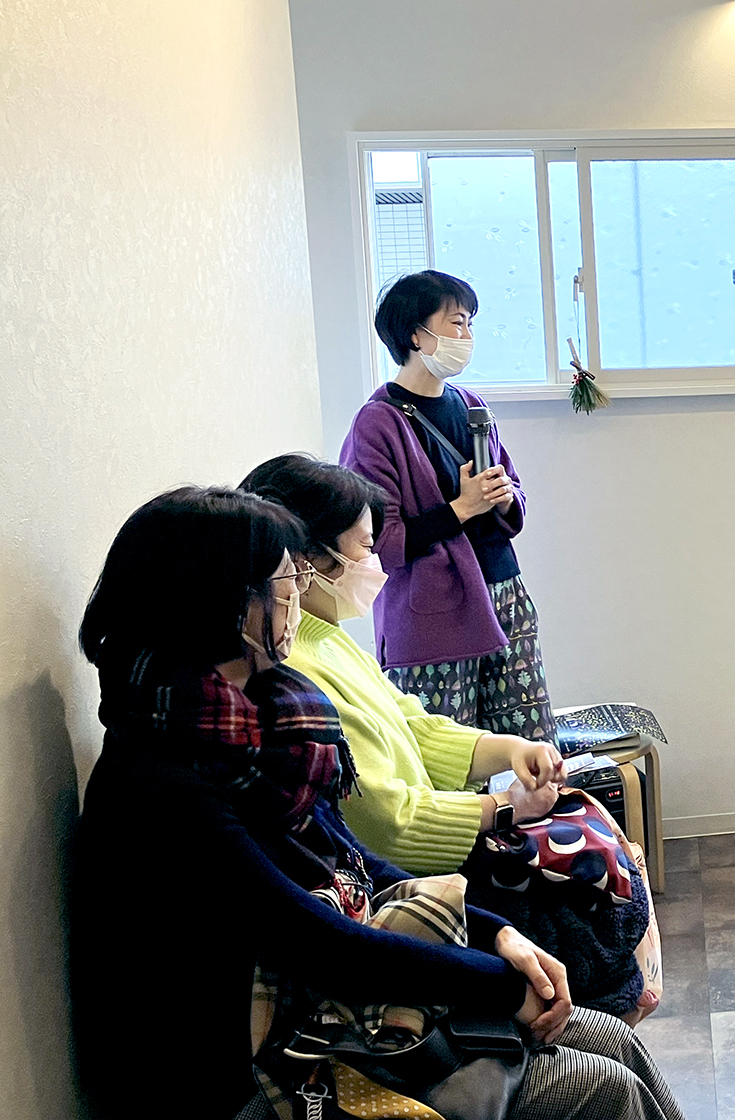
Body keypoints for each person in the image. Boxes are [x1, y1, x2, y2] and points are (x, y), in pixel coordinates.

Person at [71, 487, 683, 1120]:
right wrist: (500, 981)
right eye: (284, 583)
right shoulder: (160, 783)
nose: (296, 596)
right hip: (254, 1064)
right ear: (226, 605)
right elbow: (320, 944)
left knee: (611, 1038)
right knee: (600, 1086)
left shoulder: (264, 723)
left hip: (323, 1000)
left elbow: (354, 864)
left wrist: (498, 936)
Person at [240, 454, 657, 1023]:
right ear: (308, 561)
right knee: (597, 918)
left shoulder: (328, 639)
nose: (376, 563)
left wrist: (510, 750)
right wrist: (504, 809)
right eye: (365, 548)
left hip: (429, 865)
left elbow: (413, 724)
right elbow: (385, 824)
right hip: (419, 875)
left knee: (601, 866)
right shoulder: (297, 678)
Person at [341, 269, 560, 746]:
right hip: (434, 617)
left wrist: (504, 498)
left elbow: (514, 493)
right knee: (449, 754)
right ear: (416, 334)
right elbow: (379, 541)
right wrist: (461, 508)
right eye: (457, 322)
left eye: (470, 324)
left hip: (504, 591)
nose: (467, 336)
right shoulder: (377, 424)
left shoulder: (471, 405)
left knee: (528, 748)